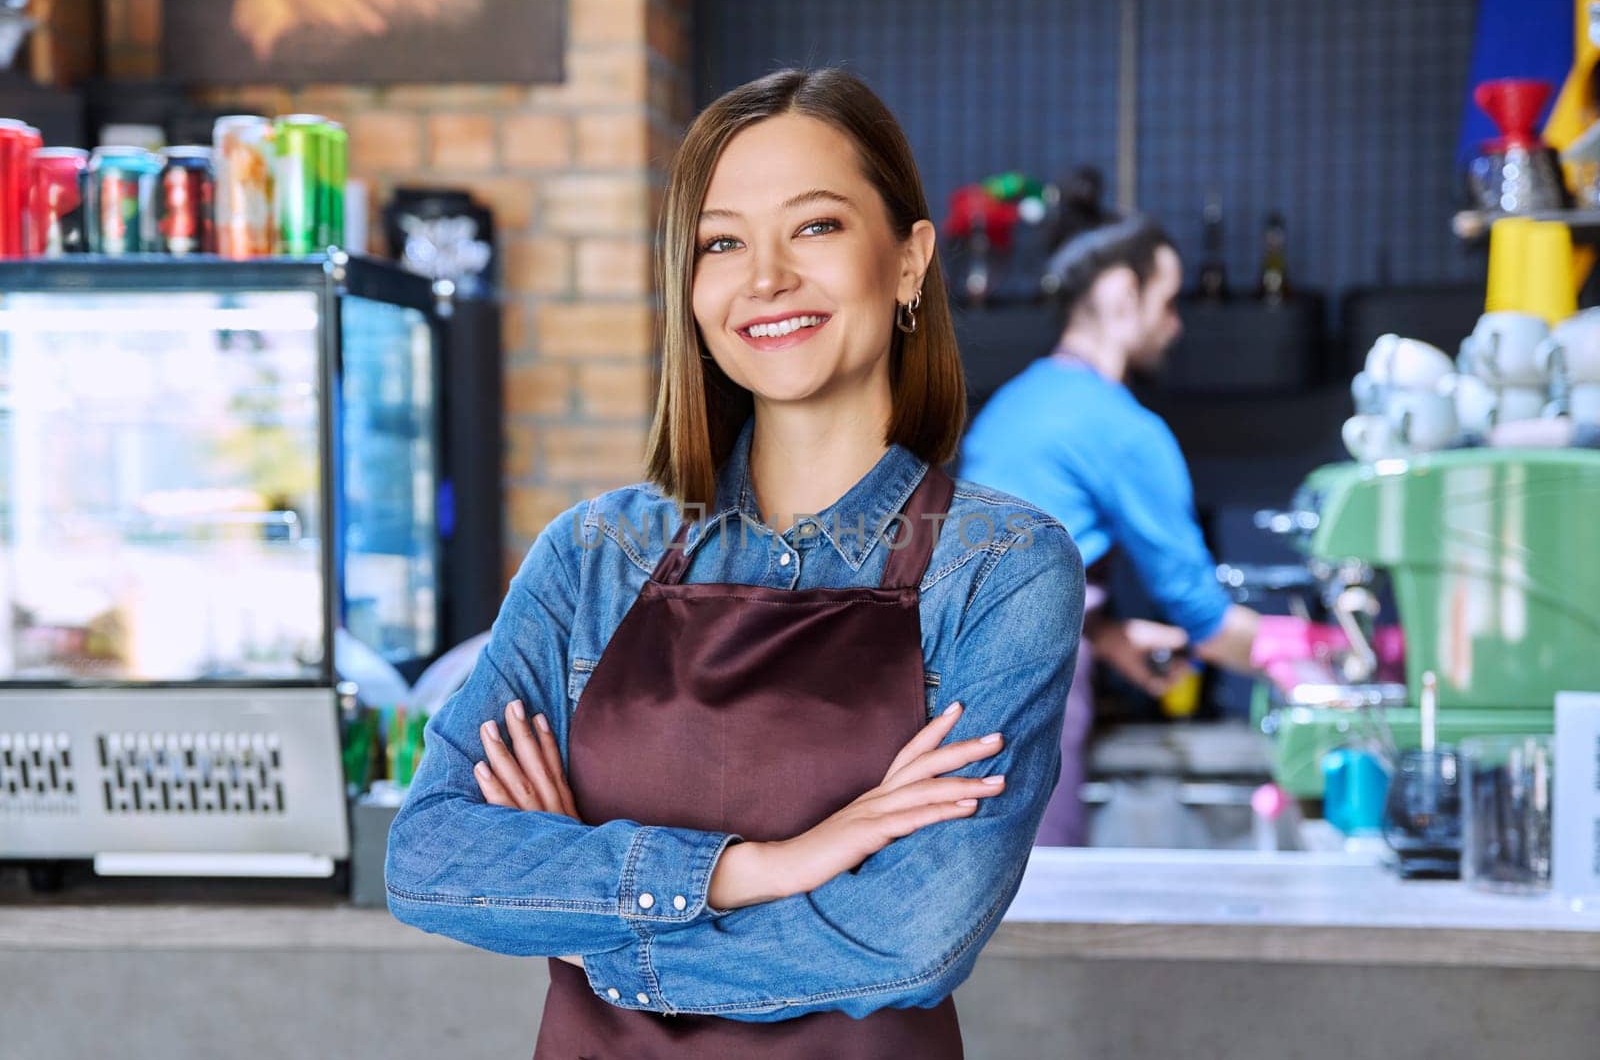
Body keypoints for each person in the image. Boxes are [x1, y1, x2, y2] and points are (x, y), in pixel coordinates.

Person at [385, 68, 1085, 1058]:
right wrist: (758, 867)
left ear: (909, 260)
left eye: (816, 227)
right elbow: (427, 856)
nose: (765, 277)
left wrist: (600, 932)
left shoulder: (1002, 568)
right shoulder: (596, 554)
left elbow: (912, 935)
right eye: (722, 241)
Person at [958, 181, 1268, 848]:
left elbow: (994, 578)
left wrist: (1109, 635)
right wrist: (1312, 662)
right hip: (1022, 706)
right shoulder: (1124, 429)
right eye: (1168, 301)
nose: (1176, 324)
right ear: (1124, 295)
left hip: (943, 701)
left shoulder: (1012, 405)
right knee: (1044, 911)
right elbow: (1205, 622)